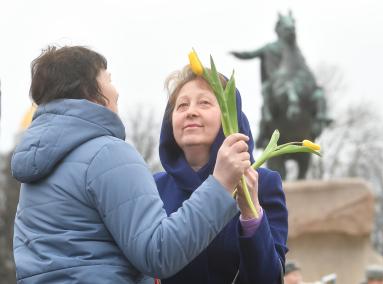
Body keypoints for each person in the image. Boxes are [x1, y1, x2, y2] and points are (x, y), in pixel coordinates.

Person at [11, 46, 252, 283]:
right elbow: (158, 253)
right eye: (109, 79)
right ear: (92, 91)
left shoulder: (37, 167)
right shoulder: (107, 154)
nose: (116, 91)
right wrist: (220, 185)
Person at [154, 65, 288, 283]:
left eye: (204, 102)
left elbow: (269, 278)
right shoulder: (153, 188)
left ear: (230, 116)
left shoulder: (262, 183)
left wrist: (252, 216)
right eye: (182, 105)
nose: (191, 112)